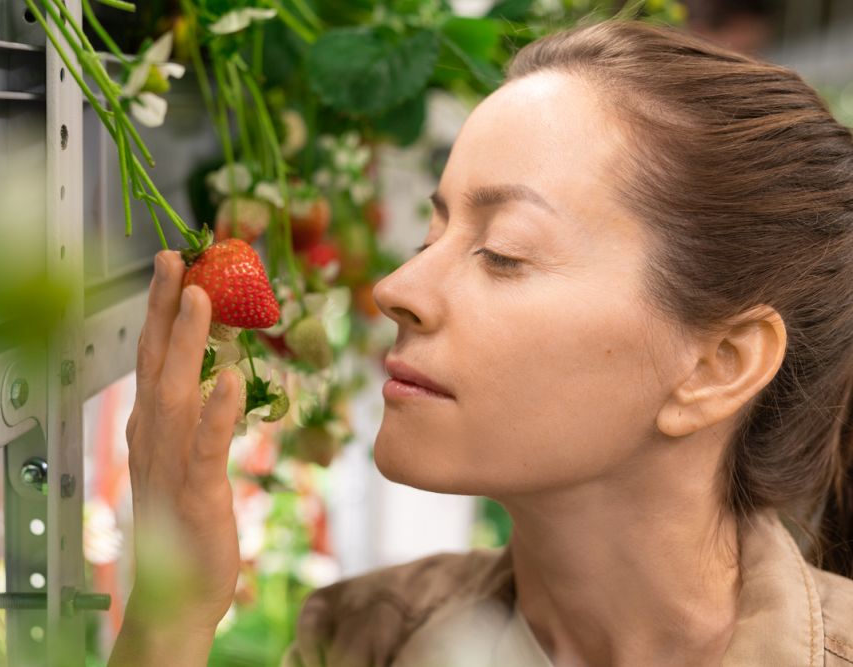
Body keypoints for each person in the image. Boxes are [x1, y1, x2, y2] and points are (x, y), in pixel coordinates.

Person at [108, 19, 853, 667]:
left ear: (717, 366)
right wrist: (170, 613)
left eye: (503, 251)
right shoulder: (359, 636)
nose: (397, 287)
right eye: (433, 233)